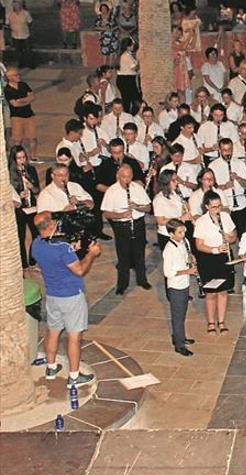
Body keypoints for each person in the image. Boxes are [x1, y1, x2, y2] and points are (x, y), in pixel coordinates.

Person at [31, 212, 102, 388]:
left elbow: (57, 260)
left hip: (53, 296)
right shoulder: (62, 248)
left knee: (53, 331)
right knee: (74, 336)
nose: (57, 222)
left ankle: (51, 367)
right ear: (49, 226)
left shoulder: (36, 244)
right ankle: (74, 377)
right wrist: (91, 254)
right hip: (71, 296)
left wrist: (72, 251)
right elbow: (79, 270)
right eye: (54, 220)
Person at [101, 164, 152, 295]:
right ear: (118, 176)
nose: (126, 180)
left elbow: (148, 208)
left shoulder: (137, 188)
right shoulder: (111, 191)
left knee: (139, 253)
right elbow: (106, 213)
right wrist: (121, 215)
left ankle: (142, 280)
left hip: (138, 223)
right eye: (124, 177)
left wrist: (137, 207)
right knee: (123, 256)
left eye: (129, 177)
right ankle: (122, 284)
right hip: (121, 226)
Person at [194, 191, 238, 335]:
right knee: (211, 293)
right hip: (208, 259)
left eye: (219, 206)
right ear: (207, 206)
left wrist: (229, 238)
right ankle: (211, 323)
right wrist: (215, 249)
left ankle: (222, 321)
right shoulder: (201, 221)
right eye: (214, 207)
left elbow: (234, 236)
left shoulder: (225, 217)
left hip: (224, 257)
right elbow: (199, 245)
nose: (217, 210)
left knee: (223, 291)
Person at [162, 219, 197, 356]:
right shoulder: (169, 250)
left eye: (184, 231)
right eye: (180, 232)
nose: (183, 234)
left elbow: (186, 257)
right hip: (176, 287)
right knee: (177, 316)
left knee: (182, 314)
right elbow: (168, 273)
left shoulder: (184, 242)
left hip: (185, 283)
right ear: (171, 234)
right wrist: (187, 272)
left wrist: (191, 257)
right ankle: (179, 345)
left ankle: (180, 336)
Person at [9, 145, 39, 268]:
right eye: (19, 158)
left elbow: (37, 190)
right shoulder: (9, 174)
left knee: (37, 233)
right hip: (19, 209)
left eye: (24, 157)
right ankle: (24, 264)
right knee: (20, 237)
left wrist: (31, 186)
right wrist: (19, 195)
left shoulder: (30, 169)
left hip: (31, 205)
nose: (22, 161)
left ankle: (33, 258)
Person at [5, 67, 36, 156]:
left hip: (29, 115)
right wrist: (27, 100)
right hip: (16, 117)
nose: (18, 76)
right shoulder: (8, 90)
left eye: (19, 74)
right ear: (9, 77)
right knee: (17, 139)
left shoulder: (23, 85)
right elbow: (14, 104)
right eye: (16, 75)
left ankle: (33, 156)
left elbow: (32, 97)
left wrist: (20, 100)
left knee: (33, 137)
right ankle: (16, 155)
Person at [6, 1, 34, 68]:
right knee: (18, 51)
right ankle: (21, 63)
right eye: (14, 6)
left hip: (25, 35)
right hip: (15, 35)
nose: (16, 7)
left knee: (28, 50)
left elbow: (30, 22)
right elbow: (7, 25)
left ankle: (30, 64)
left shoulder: (25, 13)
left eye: (17, 5)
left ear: (20, 5)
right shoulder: (9, 15)